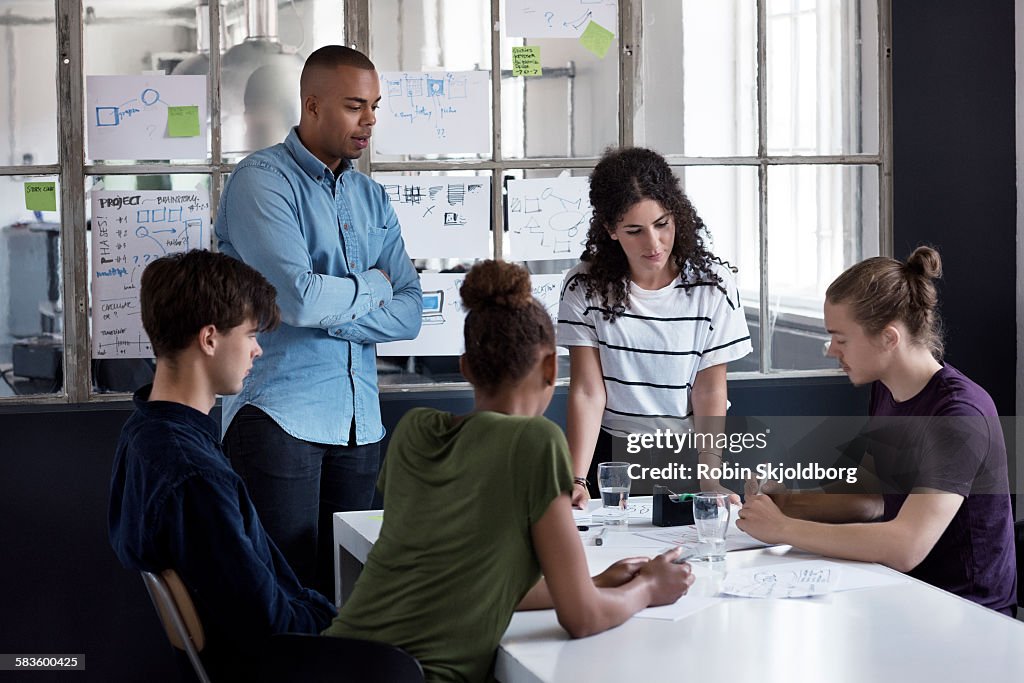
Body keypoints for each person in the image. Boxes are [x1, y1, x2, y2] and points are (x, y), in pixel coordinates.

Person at [324, 260, 695, 682]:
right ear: (552, 368)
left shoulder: (415, 432)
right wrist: (647, 589)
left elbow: (465, 585)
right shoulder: (536, 441)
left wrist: (597, 582)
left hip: (335, 659)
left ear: (465, 367)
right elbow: (583, 619)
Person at [216, 45, 422, 597]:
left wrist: (336, 313)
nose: (370, 121)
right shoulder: (261, 181)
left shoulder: (371, 197)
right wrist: (372, 287)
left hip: (361, 424)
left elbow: (410, 311)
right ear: (311, 106)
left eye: (375, 106)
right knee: (284, 594)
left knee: (349, 596)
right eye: (356, 106)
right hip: (280, 416)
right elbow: (299, 301)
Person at [737, 247, 1017, 615]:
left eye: (841, 339)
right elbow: (872, 497)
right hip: (905, 593)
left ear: (889, 338)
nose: (830, 351)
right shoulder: (887, 389)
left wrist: (784, 528)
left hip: (968, 612)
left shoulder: (957, 414)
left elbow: (905, 547)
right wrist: (790, 501)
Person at [108, 250, 337, 679]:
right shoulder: (194, 475)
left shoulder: (146, 433)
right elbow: (270, 628)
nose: (257, 350)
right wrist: (349, 624)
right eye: (250, 334)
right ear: (210, 339)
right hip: (282, 665)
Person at [558, 147, 753, 507]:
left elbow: (710, 389)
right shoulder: (584, 287)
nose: (654, 243)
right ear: (610, 230)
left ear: (676, 214)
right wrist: (577, 478)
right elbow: (588, 390)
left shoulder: (713, 286)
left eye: (662, 224)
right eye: (634, 231)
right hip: (612, 455)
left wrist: (710, 479)